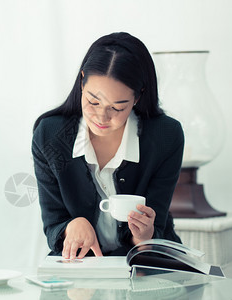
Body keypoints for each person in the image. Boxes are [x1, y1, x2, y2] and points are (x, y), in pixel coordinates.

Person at [32, 32, 184, 260]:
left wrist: (143, 235)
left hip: (147, 263)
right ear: (82, 81)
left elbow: (157, 227)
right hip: (80, 266)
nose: (101, 116)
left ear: (138, 97)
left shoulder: (166, 136)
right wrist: (73, 226)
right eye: (93, 102)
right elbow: (53, 223)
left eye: (117, 107)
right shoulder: (49, 135)